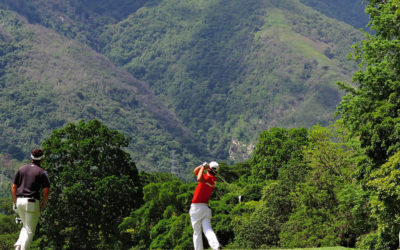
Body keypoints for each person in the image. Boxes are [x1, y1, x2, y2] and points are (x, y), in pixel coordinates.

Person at [12, 148, 50, 250]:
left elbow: (14, 187)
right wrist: (43, 203)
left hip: (19, 201)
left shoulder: (21, 169)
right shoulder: (42, 172)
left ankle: (18, 245)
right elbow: (46, 190)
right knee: (30, 231)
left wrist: (15, 201)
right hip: (32, 202)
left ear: (31, 157)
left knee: (25, 226)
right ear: (42, 159)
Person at [189, 161, 221, 250]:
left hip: (196, 208)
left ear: (209, 169)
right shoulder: (213, 180)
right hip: (205, 208)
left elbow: (199, 178)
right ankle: (216, 246)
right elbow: (196, 172)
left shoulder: (206, 177)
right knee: (207, 229)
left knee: (197, 232)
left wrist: (203, 167)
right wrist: (202, 167)